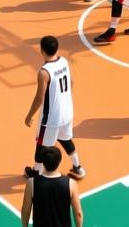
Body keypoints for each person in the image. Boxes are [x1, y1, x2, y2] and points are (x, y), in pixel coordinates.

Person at [24, 35, 86, 181]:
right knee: (66, 139)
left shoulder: (44, 72)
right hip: (67, 111)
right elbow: (71, 82)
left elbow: (39, 98)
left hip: (51, 117)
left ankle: (36, 172)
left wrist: (29, 115)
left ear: (42, 50)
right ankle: (78, 168)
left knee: (41, 145)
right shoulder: (64, 61)